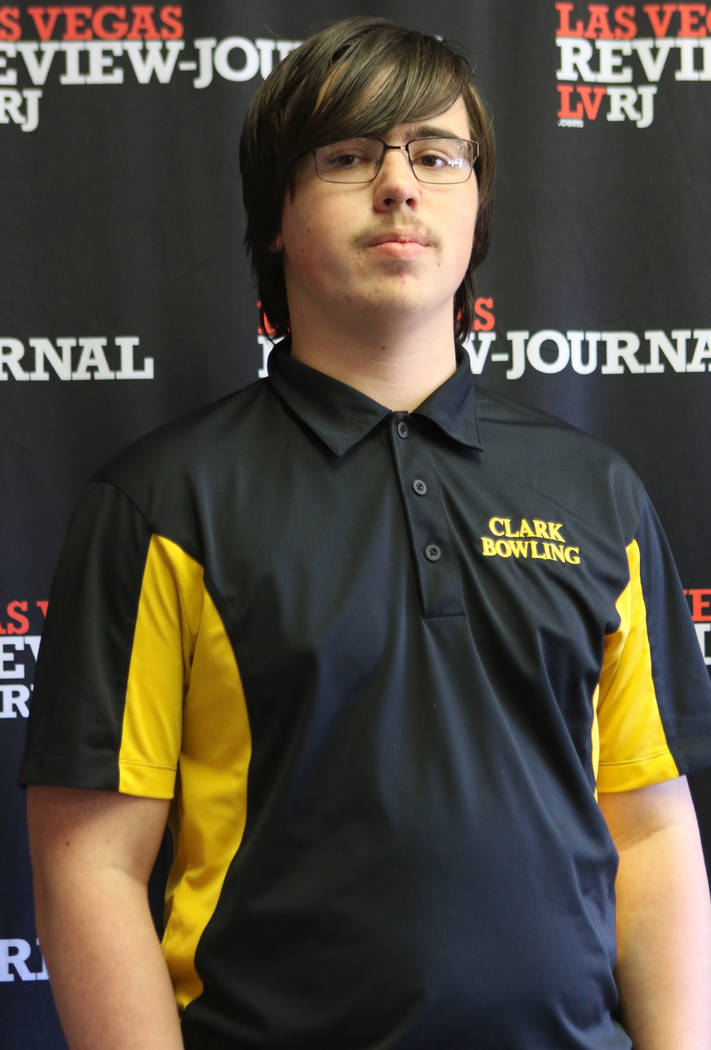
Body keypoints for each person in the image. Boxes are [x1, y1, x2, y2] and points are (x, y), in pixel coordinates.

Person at [21, 16, 711, 1050]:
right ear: (276, 217)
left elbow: (652, 835)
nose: (400, 185)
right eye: (348, 156)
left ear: (477, 214)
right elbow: (90, 867)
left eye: (436, 155)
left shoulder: (598, 496)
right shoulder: (161, 506)